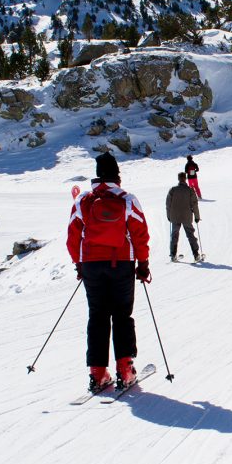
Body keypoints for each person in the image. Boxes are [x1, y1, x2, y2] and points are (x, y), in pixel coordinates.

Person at [66, 152, 151, 393]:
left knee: (97, 316)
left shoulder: (83, 200)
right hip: (122, 263)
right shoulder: (126, 199)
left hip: (92, 266)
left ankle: (98, 373)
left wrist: (79, 264)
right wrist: (142, 264)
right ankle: (125, 369)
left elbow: (73, 236)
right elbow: (140, 234)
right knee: (122, 315)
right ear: (117, 175)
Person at [166, 172, 202, 262]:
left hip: (174, 216)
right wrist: (197, 216)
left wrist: (169, 215)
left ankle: (173, 255)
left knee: (174, 235)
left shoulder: (173, 190)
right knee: (190, 235)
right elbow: (194, 204)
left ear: (178, 179)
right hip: (187, 216)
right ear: (185, 179)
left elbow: (168, 204)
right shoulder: (190, 190)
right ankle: (196, 254)